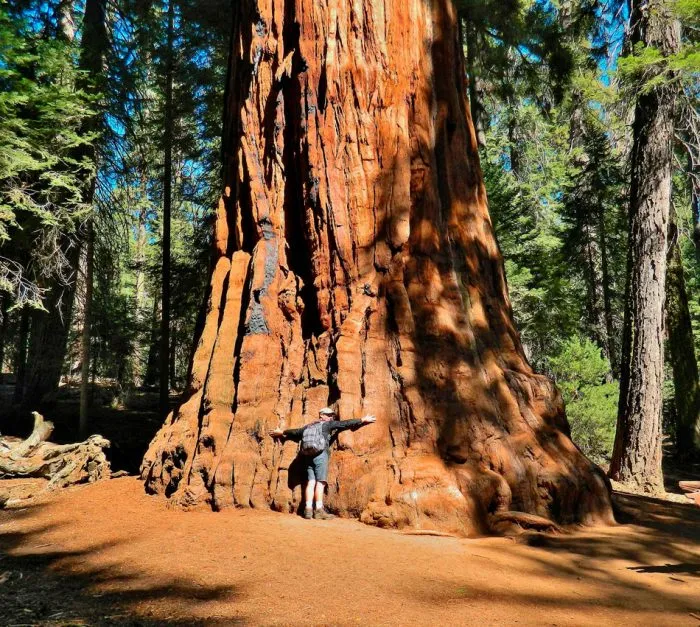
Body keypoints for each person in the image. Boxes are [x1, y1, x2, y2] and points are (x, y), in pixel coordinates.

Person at [269, 407, 376, 519]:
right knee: (321, 482)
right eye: (329, 415)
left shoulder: (308, 426)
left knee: (311, 482)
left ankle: (308, 510)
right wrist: (362, 420)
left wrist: (282, 432)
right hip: (321, 454)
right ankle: (319, 510)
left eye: (331, 415)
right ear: (322, 415)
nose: (331, 417)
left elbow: (296, 432)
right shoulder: (327, 425)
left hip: (308, 456)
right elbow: (344, 424)